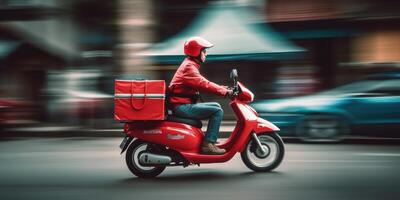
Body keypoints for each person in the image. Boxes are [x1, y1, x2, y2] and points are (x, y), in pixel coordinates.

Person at [168, 36, 233, 155]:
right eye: (204, 51)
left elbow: (203, 82)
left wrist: (224, 88)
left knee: (216, 105)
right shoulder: (189, 67)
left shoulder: (190, 64)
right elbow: (204, 84)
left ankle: (209, 140)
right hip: (181, 107)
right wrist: (224, 92)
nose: (205, 54)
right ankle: (208, 144)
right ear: (196, 52)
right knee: (217, 111)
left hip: (182, 104)